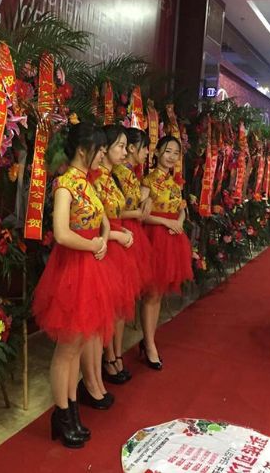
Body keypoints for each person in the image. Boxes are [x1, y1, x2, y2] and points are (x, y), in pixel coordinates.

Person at [32, 122, 114, 448]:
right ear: (83, 150)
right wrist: (94, 244)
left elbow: (103, 220)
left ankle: (70, 411)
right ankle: (63, 414)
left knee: (77, 345)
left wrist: (103, 239)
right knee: (67, 348)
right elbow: (62, 233)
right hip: (71, 270)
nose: (103, 156)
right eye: (100, 150)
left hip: (89, 267)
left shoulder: (87, 183)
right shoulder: (65, 185)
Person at [91, 125, 141, 386]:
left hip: (119, 244)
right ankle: (107, 359)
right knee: (107, 309)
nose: (124, 152)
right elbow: (91, 225)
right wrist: (116, 235)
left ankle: (115, 354)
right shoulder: (95, 179)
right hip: (106, 247)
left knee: (120, 307)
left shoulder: (112, 177)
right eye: (119, 146)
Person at [141, 135, 193, 369]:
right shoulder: (147, 180)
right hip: (154, 238)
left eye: (176, 153)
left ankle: (149, 339)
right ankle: (149, 344)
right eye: (168, 151)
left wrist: (179, 221)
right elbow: (142, 215)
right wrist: (166, 222)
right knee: (151, 293)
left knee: (159, 293)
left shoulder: (175, 182)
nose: (172, 157)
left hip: (172, 238)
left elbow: (182, 207)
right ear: (157, 152)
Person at [111, 127, 154, 380]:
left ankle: (115, 354)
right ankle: (112, 356)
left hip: (130, 233)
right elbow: (117, 210)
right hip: (123, 233)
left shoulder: (128, 173)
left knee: (123, 302)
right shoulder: (119, 173)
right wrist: (139, 210)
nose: (146, 152)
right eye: (144, 147)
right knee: (119, 302)